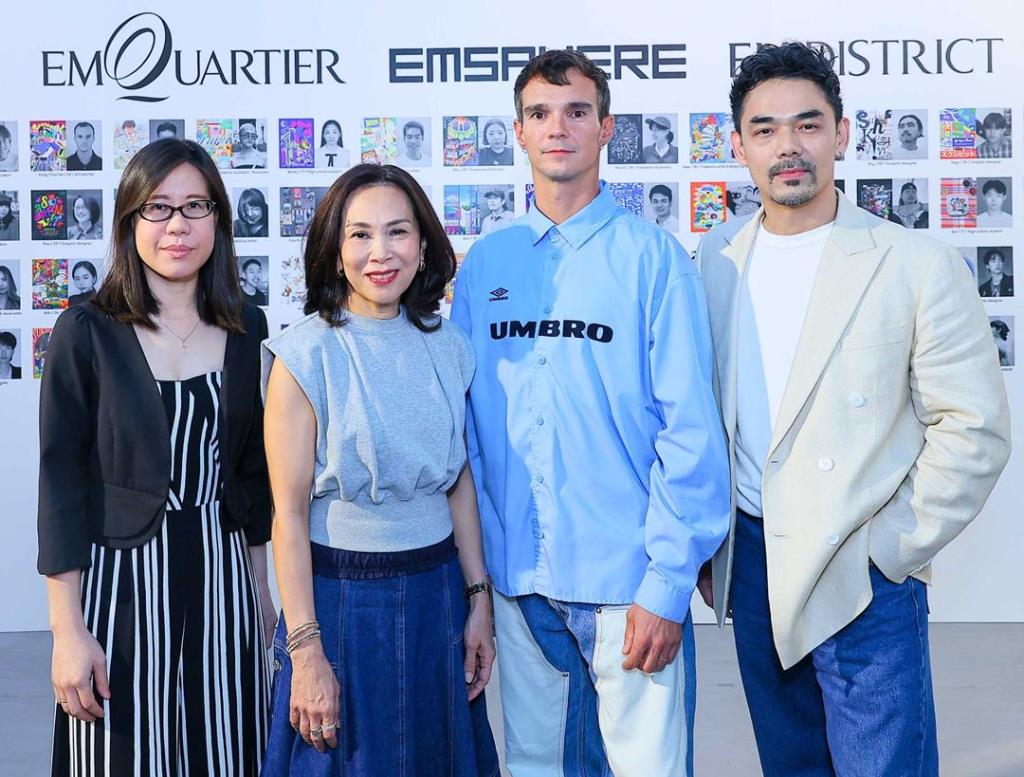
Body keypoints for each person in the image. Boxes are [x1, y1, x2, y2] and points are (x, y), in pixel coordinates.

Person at [694, 42, 1011, 777]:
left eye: (807, 125)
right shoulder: (716, 258)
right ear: (738, 147)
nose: (788, 146)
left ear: (840, 134)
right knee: (791, 764)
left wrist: (888, 550)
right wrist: (714, 545)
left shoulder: (914, 263)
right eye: (766, 129)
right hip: (754, 559)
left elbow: (974, 429)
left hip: (861, 566)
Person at [451, 49, 729, 777]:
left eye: (577, 111)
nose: (558, 128)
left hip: (628, 587)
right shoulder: (486, 264)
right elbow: (467, 434)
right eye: (540, 113)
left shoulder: (654, 258)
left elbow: (690, 433)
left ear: (606, 128)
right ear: (518, 132)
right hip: (520, 588)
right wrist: (482, 582)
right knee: (536, 768)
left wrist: (667, 584)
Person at [38, 138, 275, 775]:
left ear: (218, 219)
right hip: (121, 588)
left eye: (196, 206)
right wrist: (67, 631)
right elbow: (61, 485)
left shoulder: (248, 326)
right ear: (130, 219)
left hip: (224, 581)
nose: (177, 225)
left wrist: (262, 599)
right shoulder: (85, 331)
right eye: (158, 207)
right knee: (121, 756)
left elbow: (250, 477)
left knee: (228, 750)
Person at [261, 163, 498, 774]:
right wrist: (305, 649)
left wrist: (478, 599)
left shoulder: (450, 345)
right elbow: (288, 515)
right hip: (340, 602)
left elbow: (458, 482)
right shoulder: (304, 354)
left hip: (437, 597)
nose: (381, 252)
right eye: (360, 234)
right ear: (335, 251)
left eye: (398, 231)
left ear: (423, 244)